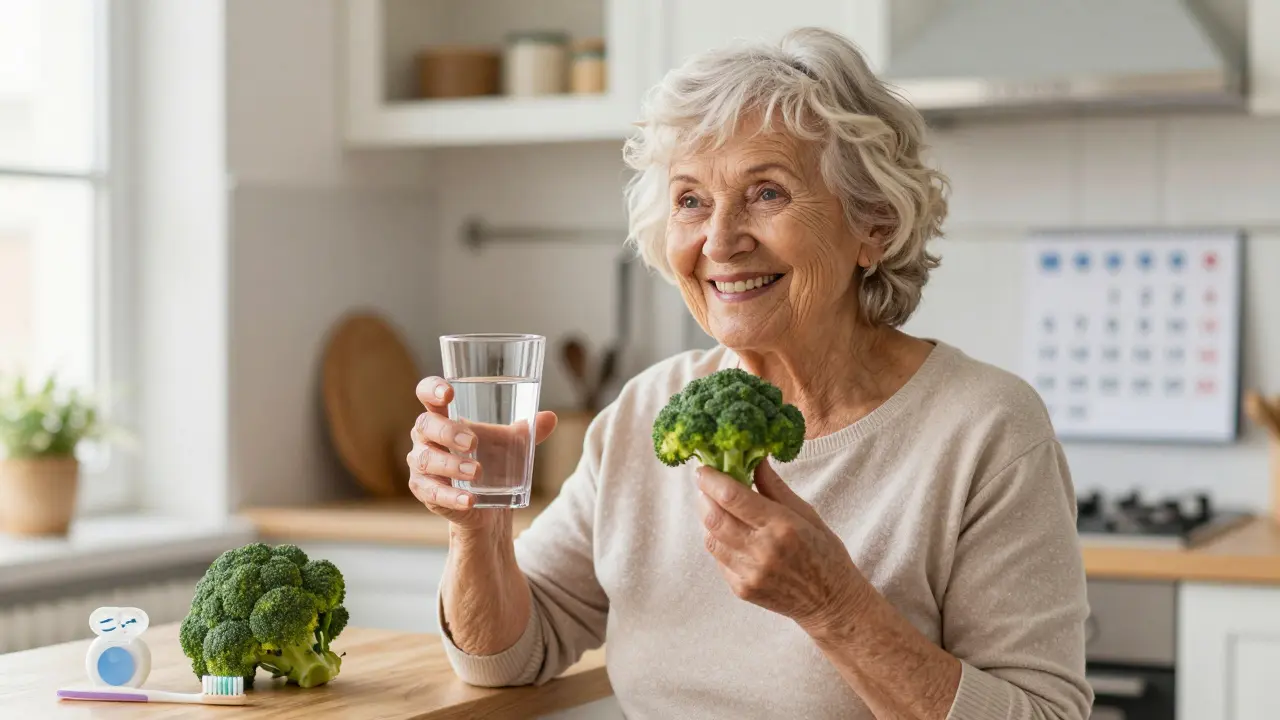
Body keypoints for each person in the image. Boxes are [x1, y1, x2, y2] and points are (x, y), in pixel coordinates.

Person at [406, 26, 1092, 720]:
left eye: (766, 192)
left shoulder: (986, 430)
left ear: (874, 226)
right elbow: (505, 655)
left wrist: (835, 609)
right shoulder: (648, 410)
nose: (721, 240)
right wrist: (480, 532)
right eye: (690, 200)